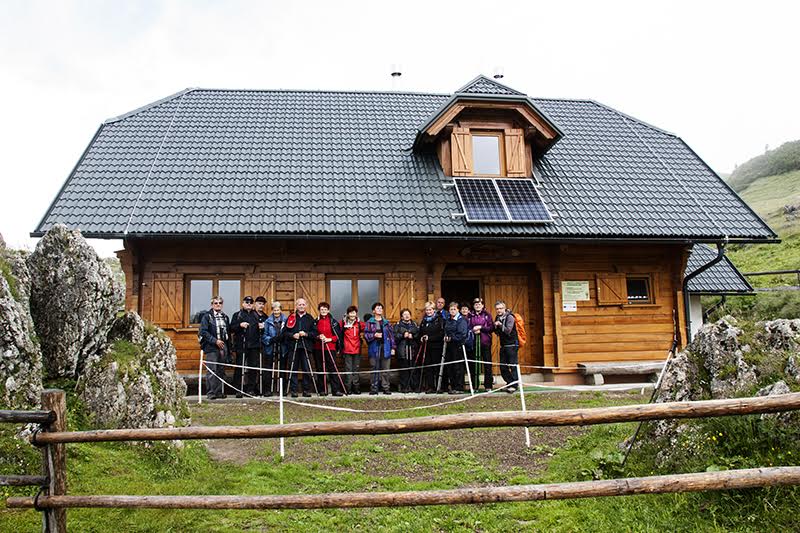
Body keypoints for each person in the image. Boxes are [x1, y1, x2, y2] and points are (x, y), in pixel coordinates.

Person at [282, 298, 317, 397]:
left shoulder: (310, 318)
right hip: (294, 346)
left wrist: (306, 334)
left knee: (306, 369)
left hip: (306, 347)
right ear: (296, 306)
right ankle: (294, 390)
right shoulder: (291, 317)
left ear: (306, 305)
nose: (301, 306)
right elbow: (284, 332)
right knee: (293, 369)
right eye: (299, 305)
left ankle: (306, 390)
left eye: (303, 304)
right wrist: (292, 335)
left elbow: (315, 333)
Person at [198, 296, 230, 400]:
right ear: (212, 305)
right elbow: (203, 332)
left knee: (221, 370)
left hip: (223, 346)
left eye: (220, 303)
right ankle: (211, 393)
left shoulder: (225, 317)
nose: (218, 305)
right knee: (212, 370)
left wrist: (228, 349)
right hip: (211, 347)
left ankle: (219, 392)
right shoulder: (207, 317)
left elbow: (228, 333)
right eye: (216, 303)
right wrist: (215, 341)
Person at [230, 296, 261, 397]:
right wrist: (240, 325)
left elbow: (261, 331)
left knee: (253, 368)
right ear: (243, 303)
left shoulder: (256, 315)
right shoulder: (237, 315)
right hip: (241, 345)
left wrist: (262, 328)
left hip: (254, 346)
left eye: (251, 302)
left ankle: (250, 389)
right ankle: (238, 389)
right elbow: (231, 328)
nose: (249, 304)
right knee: (239, 368)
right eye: (247, 302)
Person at [364, 302, 395, 395]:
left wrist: (393, 347)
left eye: (381, 308)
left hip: (385, 347)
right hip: (374, 347)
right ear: (373, 311)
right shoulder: (369, 322)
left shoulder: (386, 322)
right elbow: (366, 335)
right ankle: (374, 388)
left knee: (386, 369)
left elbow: (391, 336)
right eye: (378, 308)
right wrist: (374, 335)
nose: (380, 309)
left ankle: (386, 388)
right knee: (374, 368)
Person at [314, 302, 344, 396]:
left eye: (325, 309)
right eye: (321, 309)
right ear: (319, 310)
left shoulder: (333, 322)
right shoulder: (315, 321)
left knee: (332, 368)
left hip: (330, 348)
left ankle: (336, 390)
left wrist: (329, 339)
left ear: (328, 310)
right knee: (320, 368)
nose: (323, 311)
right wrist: (318, 336)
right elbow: (313, 334)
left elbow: (338, 336)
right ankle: (322, 390)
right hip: (318, 348)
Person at [468, 297, 494, 391]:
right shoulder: (470, 315)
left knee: (487, 364)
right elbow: (468, 327)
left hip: (485, 342)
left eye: (479, 304)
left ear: (482, 305)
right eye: (476, 304)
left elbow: (491, 328)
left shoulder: (487, 315)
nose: (477, 306)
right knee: (474, 365)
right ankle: (475, 385)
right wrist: (473, 330)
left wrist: (481, 328)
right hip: (474, 343)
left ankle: (488, 385)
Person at [261, 301, 287, 396]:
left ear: (281, 310)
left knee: (282, 368)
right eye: (274, 310)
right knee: (268, 369)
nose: (276, 312)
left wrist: (283, 338)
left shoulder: (285, 320)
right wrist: (271, 339)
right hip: (271, 347)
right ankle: (268, 390)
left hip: (282, 347)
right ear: (272, 310)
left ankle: (282, 389)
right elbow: (264, 335)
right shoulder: (268, 321)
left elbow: (288, 333)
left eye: (278, 310)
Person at [419, 301, 445, 394]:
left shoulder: (439, 319)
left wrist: (430, 338)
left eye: (430, 310)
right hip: (426, 347)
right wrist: (421, 337)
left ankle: (439, 386)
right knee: (429, 367)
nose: (428, 311)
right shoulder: (424, 320)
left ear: (434, 310)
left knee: (437, 367)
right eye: (427, 310)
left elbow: (441, 334)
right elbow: (421, 332)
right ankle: (430, 387)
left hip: (437, 347)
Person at [443, 301, 469, 394]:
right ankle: (453, 386)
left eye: (454, 309)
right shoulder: (448, 320)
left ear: (458, 310)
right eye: (451, 309)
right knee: (450, 367)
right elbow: (446, 330)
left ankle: (459, 387)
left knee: (458, 367)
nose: (452, 311)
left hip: (458, 346)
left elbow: (462, 334)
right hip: (449, 346)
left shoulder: (461, 320)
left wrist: (452, 337)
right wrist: (446, 336)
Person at [494, 300, 519, 393]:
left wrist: (500, 325)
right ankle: (509, 383)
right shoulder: (497, 317)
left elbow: (508, 330)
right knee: (503, 366)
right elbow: (497, 332)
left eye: (500, 308)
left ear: (504, 308)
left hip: (512, 344)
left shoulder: (510, 317)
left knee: (513, 365)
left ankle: (514, 385)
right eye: (497, 309)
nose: (499, 310)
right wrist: (495, 327)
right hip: (503, 345)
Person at [393, 308, 419, 393]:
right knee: (404, 370)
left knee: (414, 369)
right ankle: (405, 387)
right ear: (401, 316)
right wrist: (403, 335)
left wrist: (413, 336)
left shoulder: (415, 324)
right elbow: (394, 337)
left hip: (413, 350)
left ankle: (415, 386)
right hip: (402, 351)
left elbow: (419, 335)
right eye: (404, 314)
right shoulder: (397, 326)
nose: (407, 316)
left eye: (408, 314)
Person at [340, 305, 364, 395]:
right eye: (350, 313)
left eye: (354, 312)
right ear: (348, 314)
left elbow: (367, 329)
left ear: (356, 314)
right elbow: (337, 329)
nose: (352, 314)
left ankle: (356, 388)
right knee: (348, 370)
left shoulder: (359, 323)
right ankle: (348, 388)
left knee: (356, 369)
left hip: (357, 349)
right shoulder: (343, 323)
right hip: (347, 350)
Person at [254, 296, 269, 395]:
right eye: (259, 303)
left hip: (263, 345)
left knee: (264, 367)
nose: (261, 306)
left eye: (263, 304)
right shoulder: (251, 315)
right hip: (253, 345)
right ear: (255, 304)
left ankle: (263, 389)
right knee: (253, 368)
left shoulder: (266, 317)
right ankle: (253, 389)